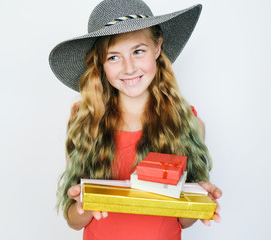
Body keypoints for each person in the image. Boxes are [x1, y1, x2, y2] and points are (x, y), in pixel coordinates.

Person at [49, 0, 222, 239]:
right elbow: (73, 221)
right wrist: (82, 205)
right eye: (113, 57)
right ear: (100, 63)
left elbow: (184, 221)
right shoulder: (84, 122)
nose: (129, 68)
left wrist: (197, 199)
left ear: (157, 48)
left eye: (138, 51)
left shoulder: (187, 122)